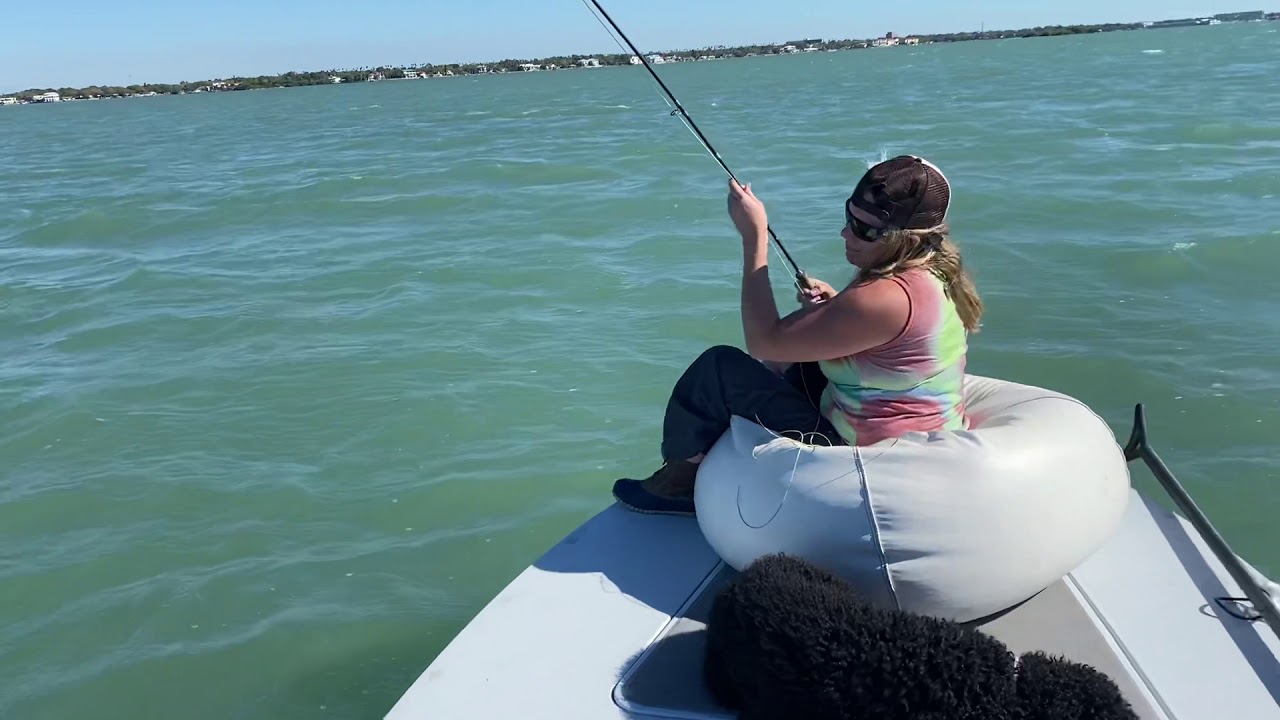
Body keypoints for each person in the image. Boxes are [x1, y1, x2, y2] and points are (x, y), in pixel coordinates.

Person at [611, 155, 985, 517]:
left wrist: (753, 237)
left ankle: (679, 486)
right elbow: (897, 335)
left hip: (867, 452)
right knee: (794, 361)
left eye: (865, 229)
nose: (846, 232)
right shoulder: (933, 270)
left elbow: (762, 342)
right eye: (850, 217)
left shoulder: (883, 296)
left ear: (902, 237)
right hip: (910, 426)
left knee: (718, 370)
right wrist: (836, 307)